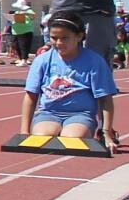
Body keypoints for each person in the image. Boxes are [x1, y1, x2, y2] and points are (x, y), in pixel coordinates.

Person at [19, 14, 119, 147]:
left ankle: (84, 130)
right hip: (49, 113)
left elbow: (105, 99)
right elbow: (31, 96)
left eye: (64, 38)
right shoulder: (42, 60)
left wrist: (106, 132)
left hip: (80, 115)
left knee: (72, 139)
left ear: (79, 37)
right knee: (42, 138)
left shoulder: (94, 61)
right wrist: (24, 132)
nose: (58, 43)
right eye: (54, 38)